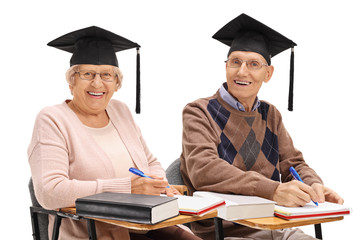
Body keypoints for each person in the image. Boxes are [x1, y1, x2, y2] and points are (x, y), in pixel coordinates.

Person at [180, 14, 344, 240]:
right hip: (224, 230)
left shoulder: (270, 114)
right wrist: (273, 190)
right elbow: (204, 169)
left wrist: (313, 184)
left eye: (253, 64)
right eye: (235, 62)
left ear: (268, 74)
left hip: (275, 224)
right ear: (226, 66)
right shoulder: (199, 111)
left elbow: (292, 163)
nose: (242, 72)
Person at [28, 26, 200, 240]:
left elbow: (150, 162)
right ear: (72, 80)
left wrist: (158, 184)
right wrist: (128, 188)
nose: (98, 83)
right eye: (87, 74)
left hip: (147, 223)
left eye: (107, 75)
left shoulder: (120, 111)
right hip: (95, 232)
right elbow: (50, 192)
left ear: (117, 82)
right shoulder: (52, 119)